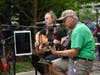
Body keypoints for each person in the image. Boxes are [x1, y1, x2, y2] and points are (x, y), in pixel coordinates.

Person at [49, 10, 96, 75]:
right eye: (62, 21)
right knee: (52, 65)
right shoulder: (77, 28)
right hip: (75, 59)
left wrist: (56, 52)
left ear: (72, 18)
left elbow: (74, 52)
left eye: (64, 20)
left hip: (81, 61)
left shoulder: (78, 30)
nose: (63, 23)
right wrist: (67, 37)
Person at [32, 11, 67, 75]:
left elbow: (65, 43)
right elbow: (38, 33)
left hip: (55, 53)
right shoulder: (46, 29)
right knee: (33, 58)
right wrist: (37, 41)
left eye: (47, 18)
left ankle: (47, 72)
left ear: (52, 19)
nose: (45, 20)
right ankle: (45, 73)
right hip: (46, 52)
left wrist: (58, 42)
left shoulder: (59, 30)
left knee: (46, 60)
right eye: (45, 18)